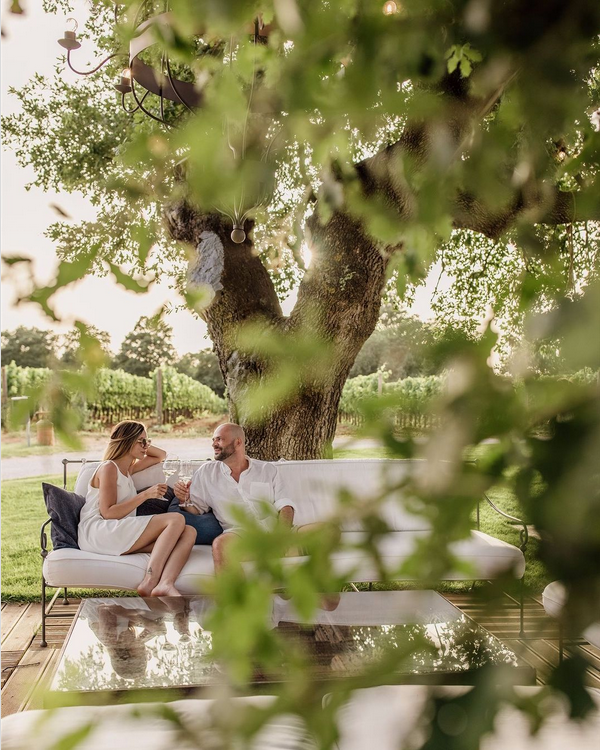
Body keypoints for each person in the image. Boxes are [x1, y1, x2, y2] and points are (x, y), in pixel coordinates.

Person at [77, 420, 196, 596]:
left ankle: (165, 584)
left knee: (189, 532)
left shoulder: (127, 470)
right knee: (176, 519)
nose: (146, 446)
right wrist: (146, 495)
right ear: (127, 441)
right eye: (142, 441)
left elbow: (160, 455)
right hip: (99, 530)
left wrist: (143, 442)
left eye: (147, 441)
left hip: (117, 530)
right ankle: (150, 581)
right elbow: (108, 513)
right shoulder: (109, 467)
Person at [174, 423, 297, 571]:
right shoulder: (207, 473)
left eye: (219, 439)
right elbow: (197, 509)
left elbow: (285, 506)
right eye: (213, 440)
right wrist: (183, 499)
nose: (214, 444)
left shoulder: (267, 469)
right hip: (240, 534)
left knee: (323, 533)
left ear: (238, 442)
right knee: (220, 545)